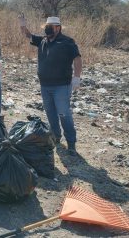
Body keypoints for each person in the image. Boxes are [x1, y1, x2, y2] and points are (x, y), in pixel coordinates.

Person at [19, 14, 82, 156]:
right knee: (50, 113)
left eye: (51, 27)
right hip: (45, 86)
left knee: (64, 114)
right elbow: (28, 35)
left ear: (58, 28)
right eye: (47, 26)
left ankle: (71, 143)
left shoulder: (67, 42)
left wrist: (76, 78)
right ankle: (56, 137)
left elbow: (77, 59)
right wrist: (22, 25)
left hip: (61, 86)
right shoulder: (43, 41)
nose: (47, 29)